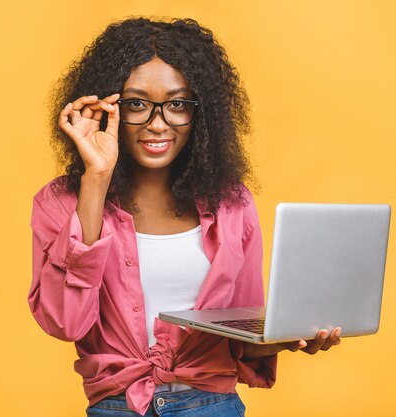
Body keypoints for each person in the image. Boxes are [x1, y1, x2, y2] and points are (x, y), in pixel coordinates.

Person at [28, 17, 341, 417]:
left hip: (213, 406)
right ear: (108, 106)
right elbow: (65, 323)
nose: (158, 123)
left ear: (201, 113)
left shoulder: (232, 205)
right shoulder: (60, 201)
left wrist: (293, 335)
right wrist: (97, 178)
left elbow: (242, 335)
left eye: (177, 104)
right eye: (136, 103)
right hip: (118, 407)